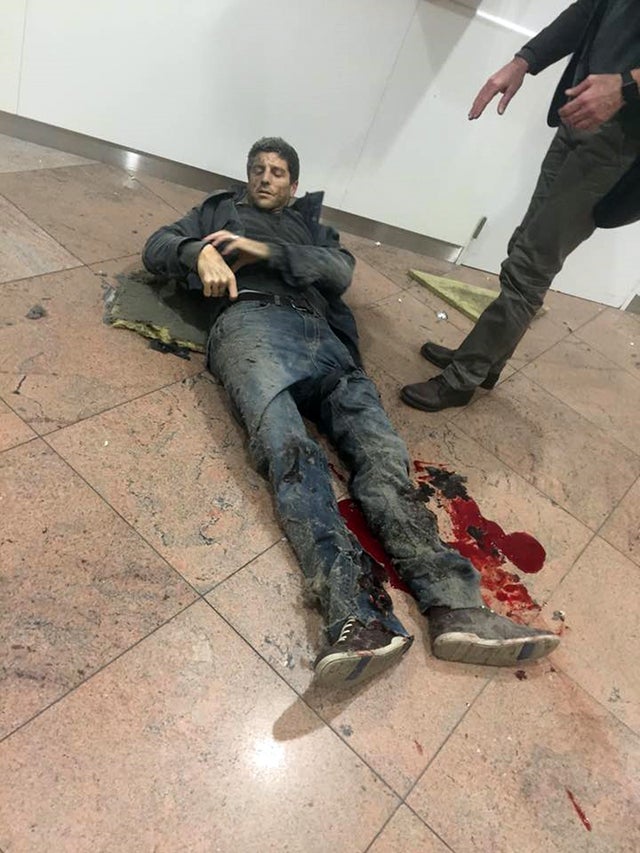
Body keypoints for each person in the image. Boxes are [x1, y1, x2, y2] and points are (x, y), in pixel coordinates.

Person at [143, 137, 559, 687]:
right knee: (291, 455)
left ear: (293, 184)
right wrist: (196, 251)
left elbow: (339, 271)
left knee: (383, 458)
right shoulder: (218, 211)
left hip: (330, 343)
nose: (266, 178)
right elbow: (156, 244)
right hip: (252, 326)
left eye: (278, 172)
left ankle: (456, 607)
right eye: (258, 170)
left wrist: (269, 252)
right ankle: (356, 616)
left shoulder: (313, 226)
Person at [401, 0, 640, 413]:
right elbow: (590, 9)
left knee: (532, 263)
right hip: (579, 114)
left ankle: (462, 379)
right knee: (525, 247)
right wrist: (524, 60)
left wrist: (626, 86)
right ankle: (486, 361)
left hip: (621, 139)